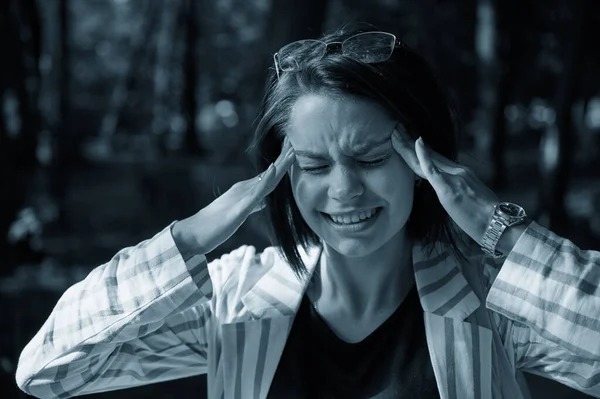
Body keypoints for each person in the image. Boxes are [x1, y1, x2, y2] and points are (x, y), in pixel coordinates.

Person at [15, 25, 600, 399]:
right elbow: (48, 369)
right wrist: (191, 237)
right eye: (315, 166)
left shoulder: (493, 299)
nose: (343, 190)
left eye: (371, 158)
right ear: (282, 171)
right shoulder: (233, 301)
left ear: (425, 163)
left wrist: (505, 233)